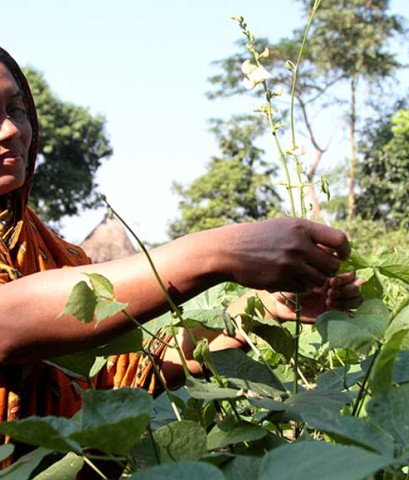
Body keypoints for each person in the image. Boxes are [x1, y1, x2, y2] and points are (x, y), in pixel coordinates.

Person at [0, 46, 362, 467]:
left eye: (16, 108)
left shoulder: (53, 255)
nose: (10, 130)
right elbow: (9, 321)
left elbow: (134, 366)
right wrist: (219, 250)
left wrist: (265, 308)